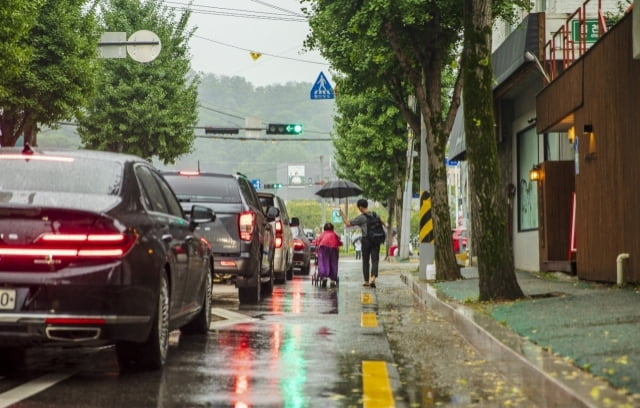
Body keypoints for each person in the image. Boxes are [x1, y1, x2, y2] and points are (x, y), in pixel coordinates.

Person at [340, 199, 383, 288]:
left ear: (360, 207)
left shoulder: (362, 217)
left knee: (366, 260)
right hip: (376, 239)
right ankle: (373, 277)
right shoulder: (375, 215)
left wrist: (342, 214)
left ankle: (367, 281)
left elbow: (348, 223)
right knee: (375, 260)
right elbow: (382, 222)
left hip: (366, 240)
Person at [315, 222, 342, 287]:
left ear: (324, 228)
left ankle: (324, 277)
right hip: (333, 249)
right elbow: (339, 242)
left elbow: (317, 242)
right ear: (332, 228)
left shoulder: (322, 234)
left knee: (323, 262)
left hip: (323, 248)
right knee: (333, 263)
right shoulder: (334, 234)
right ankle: (332, 280)